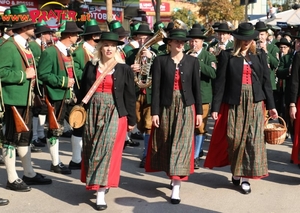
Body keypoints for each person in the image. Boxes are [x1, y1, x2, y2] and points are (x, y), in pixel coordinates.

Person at [208, 22, 278, 194]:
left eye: (249, 39)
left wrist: (271, 106)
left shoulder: (260, 55)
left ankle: (245, 177)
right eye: (243, 39)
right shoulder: (227, 55)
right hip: (235, 101)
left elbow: (266, 83)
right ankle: (236, 170)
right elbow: (220, 82)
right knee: (234, 138)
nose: (247, 42)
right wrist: (215, 106)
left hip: (255, 101)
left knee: (252, 140)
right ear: (238, 39)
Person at [145, 29, 203, 204]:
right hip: (166, 106)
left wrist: (199, 112)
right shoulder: (160, 61)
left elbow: (196, 89)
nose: (180, 44)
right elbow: (155, 89)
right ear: (169, 43)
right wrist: (154, 111)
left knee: (182, 143)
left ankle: (177, 186)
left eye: (183, 42)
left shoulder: (192, 61)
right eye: (177, 41)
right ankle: (172, 174)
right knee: (167, 141)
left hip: (186, 106)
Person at [80, 32, 136, 211]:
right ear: (100, 47)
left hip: (114, 111)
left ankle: (101, 193)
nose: (110, 48)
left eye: (113, 45)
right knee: (91, 147)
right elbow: (82, 90)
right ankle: (97, 182)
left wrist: (132, 120)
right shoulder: (91, 66)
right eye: (106, 45)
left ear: (117, 48)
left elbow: (129, 95)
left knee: (105, 150)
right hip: (93, 111)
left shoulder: (123, 68)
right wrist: (78, 112)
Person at [0, 3, 52, 192]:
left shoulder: (25, 45)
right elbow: (1, 72)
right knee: (11, 139)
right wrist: (24, 75)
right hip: (13, 99)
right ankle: (12, 178)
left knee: (24, 138)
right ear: (22, 28)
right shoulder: (8, 46)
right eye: (31, 25)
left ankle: (28, 173)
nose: (34, 28)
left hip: (26, 99)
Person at [37, 20, 83, 175]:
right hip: (56, 95)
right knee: (54, 129)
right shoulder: (50, 52)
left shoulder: (69, 51)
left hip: (68, 94)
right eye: (76, 34)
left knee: (78, 125)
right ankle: (55, 163)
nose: (78, 36)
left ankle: (76, 159)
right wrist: (63, 82)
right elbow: (43, 74)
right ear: (69, 35)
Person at [71, 19, 102, 170]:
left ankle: (85, 156)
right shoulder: (78, 51)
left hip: (95, 94)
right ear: (93, 36)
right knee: (79, 125)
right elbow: (75, 72)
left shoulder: (96, 51)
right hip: (82, 93)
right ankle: (76, 159)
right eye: (98, 35)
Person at [186, 25, 217, 169]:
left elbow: (212, 73)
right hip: (187, 96)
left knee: (200, 126)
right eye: (191, 41)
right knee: (188, 126)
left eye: (196, 41)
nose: (193, 44)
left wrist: (196, 62)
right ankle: (188, 153)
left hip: (203, 96)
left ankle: (196, 156)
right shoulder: (185, 54)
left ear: (202, 42)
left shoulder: (208, 56)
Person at [29, 20, 53, 150]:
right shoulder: (33, 46)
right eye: (48, 33)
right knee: (36, 110)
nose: (50, 36)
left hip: (43, 82)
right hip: (36, 82)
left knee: (42, 109)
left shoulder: (45, 45)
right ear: (42, 34)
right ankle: (34, 136)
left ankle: (40, 133)